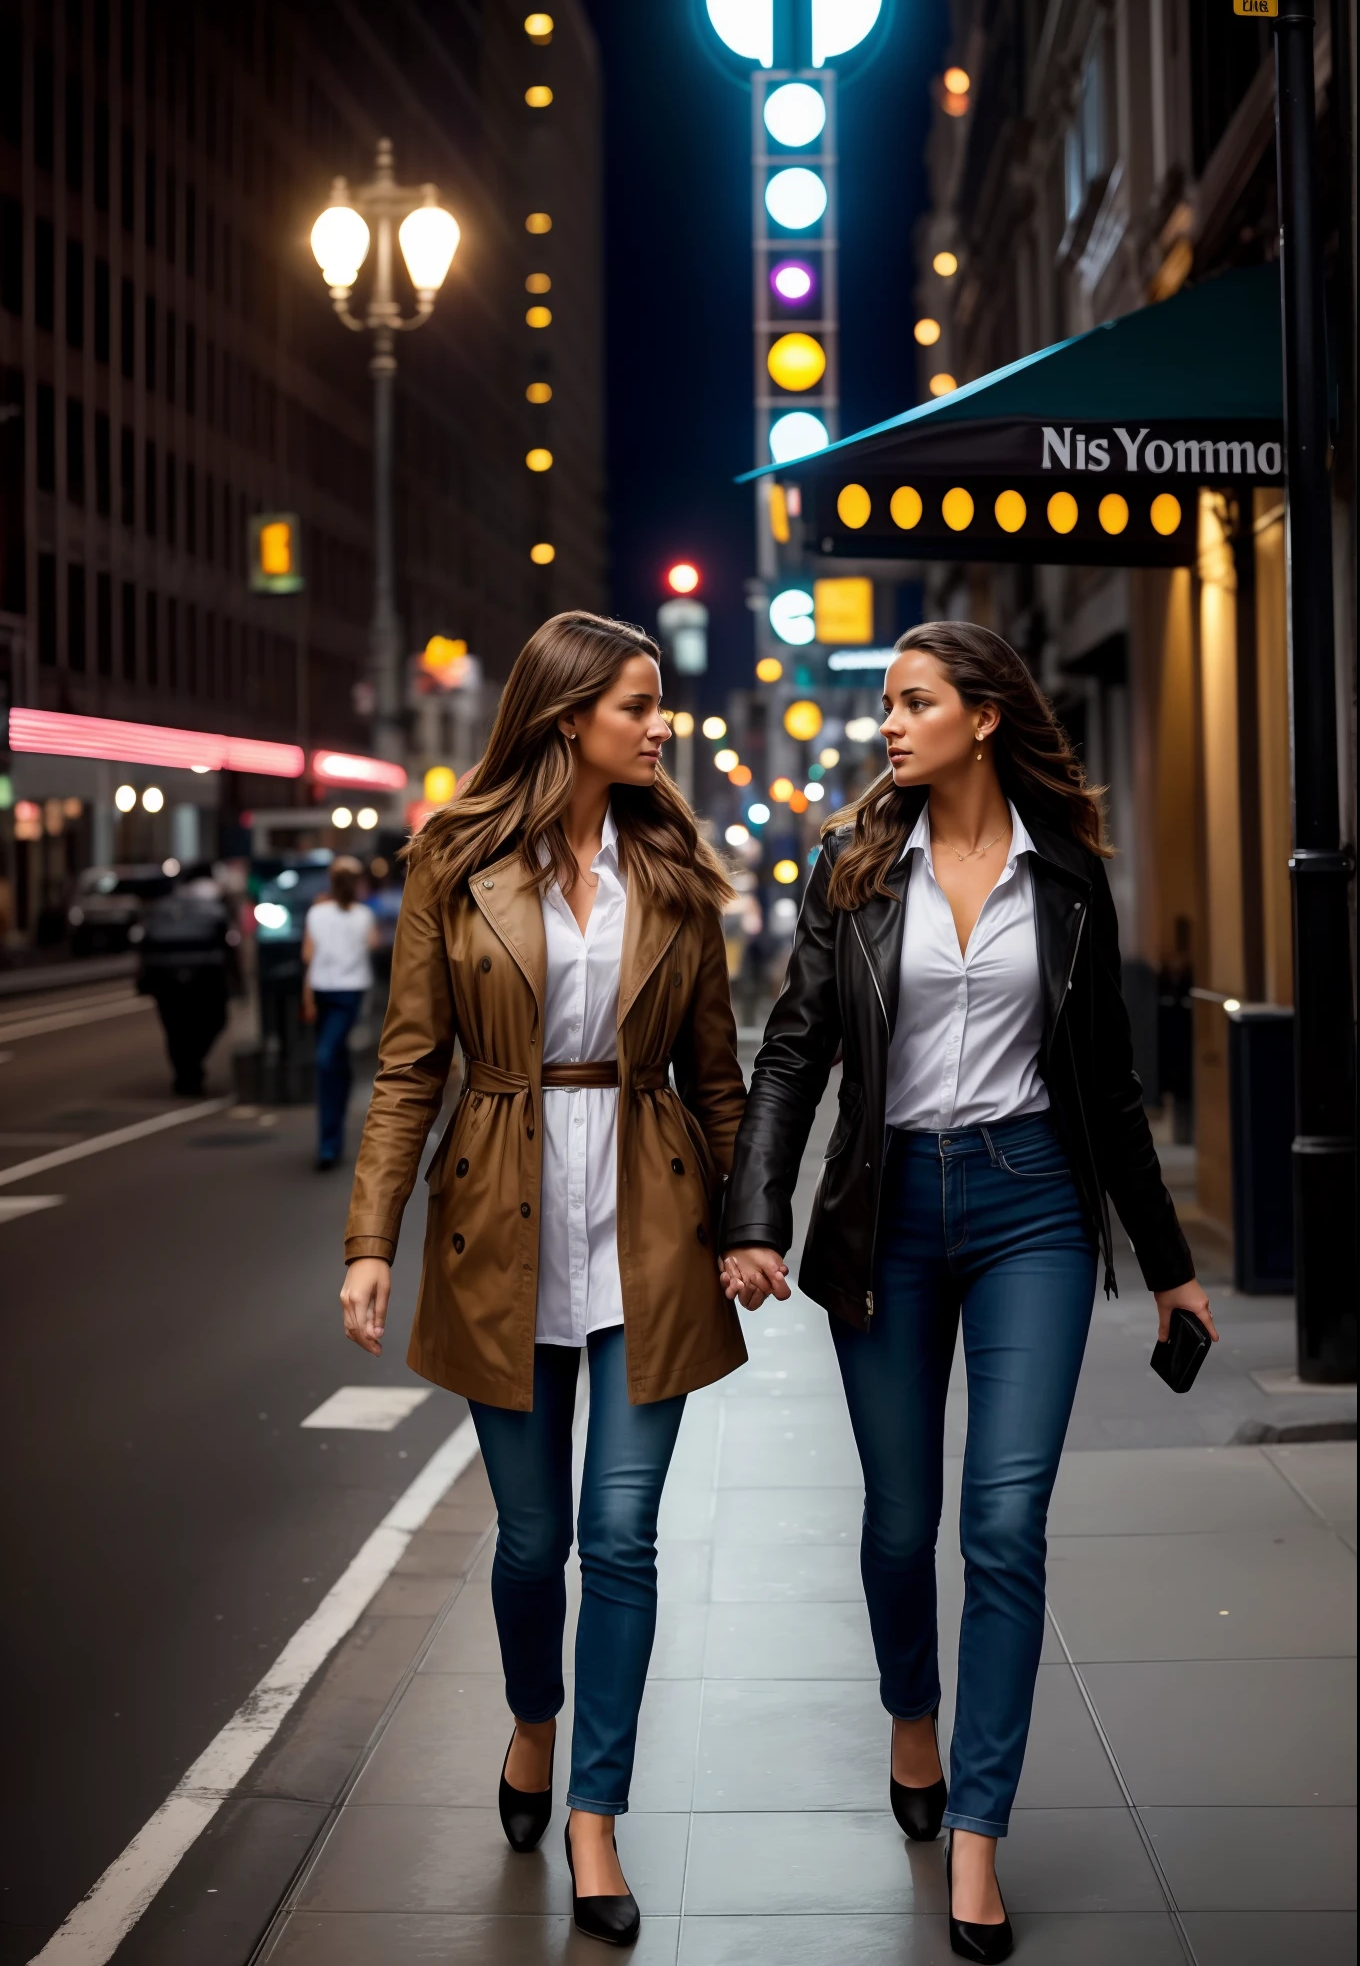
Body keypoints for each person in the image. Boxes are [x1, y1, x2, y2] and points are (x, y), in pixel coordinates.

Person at [720, 622, 1217, 1964]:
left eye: (914, 701)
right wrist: (755, 1218)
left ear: (985, 717)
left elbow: (1109, 1086)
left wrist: (1170, 1267)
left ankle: (979, 1841)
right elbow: (792, 1057)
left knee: (1002, 1528)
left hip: (1030, 1210)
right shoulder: (856, 866)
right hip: (884, 1216)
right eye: (886, 704)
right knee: (899, 1521)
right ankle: (912, 1719)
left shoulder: (1065, 881)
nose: (888, 724)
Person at [340, 612, 747, 1947]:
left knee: (620, 1538)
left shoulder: (677, 870)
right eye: (640, 704)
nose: (660, 725)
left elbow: (719, 1079)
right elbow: (409, 1071)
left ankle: (595, 1817)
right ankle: (532, 1720)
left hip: (650, 1226)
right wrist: (367, 1243)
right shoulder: (454, 863)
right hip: (498, 1227)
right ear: (571, 717)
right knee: (532, 1544)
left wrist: (751, 1225)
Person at [302, 855, 377, 1170]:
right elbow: (373, 945)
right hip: (347, 992)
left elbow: (308, 956)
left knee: (325, 1057)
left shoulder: (318, 913)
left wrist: (306, 998)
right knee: (334, 1059)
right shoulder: (363, 915)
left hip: (324, 991)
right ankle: (335, 1118)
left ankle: (329, 1143)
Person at [137, 873, 238, 1094]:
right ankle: (190, 1070)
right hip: (205, 976)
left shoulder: (159, 911)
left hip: (167, 978)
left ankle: (186, 1072)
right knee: (211, 1021)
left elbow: (144, 948)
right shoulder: (212, 909)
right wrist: (235, 982)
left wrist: (144, 980)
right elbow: (228, 948)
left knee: (176, 1028)